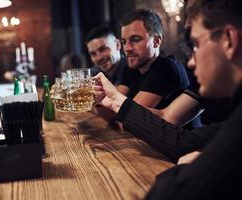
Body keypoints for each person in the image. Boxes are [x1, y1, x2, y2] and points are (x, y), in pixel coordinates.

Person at [94, 0, 242, 198]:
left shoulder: (167, 67)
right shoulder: (131, 68)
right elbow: (175, 129)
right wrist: (109, 101)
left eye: (196, 45)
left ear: (229, 40)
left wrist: (182, 168)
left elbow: (173, 129)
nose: (190, 61)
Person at [117, 9, 202, 128]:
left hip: (184, 144)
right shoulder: (131, 66)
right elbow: (116, 108)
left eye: (135, 40)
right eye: (124, 42)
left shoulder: (166, 68)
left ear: (156, 41)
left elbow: (128, 117)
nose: (127, 48)